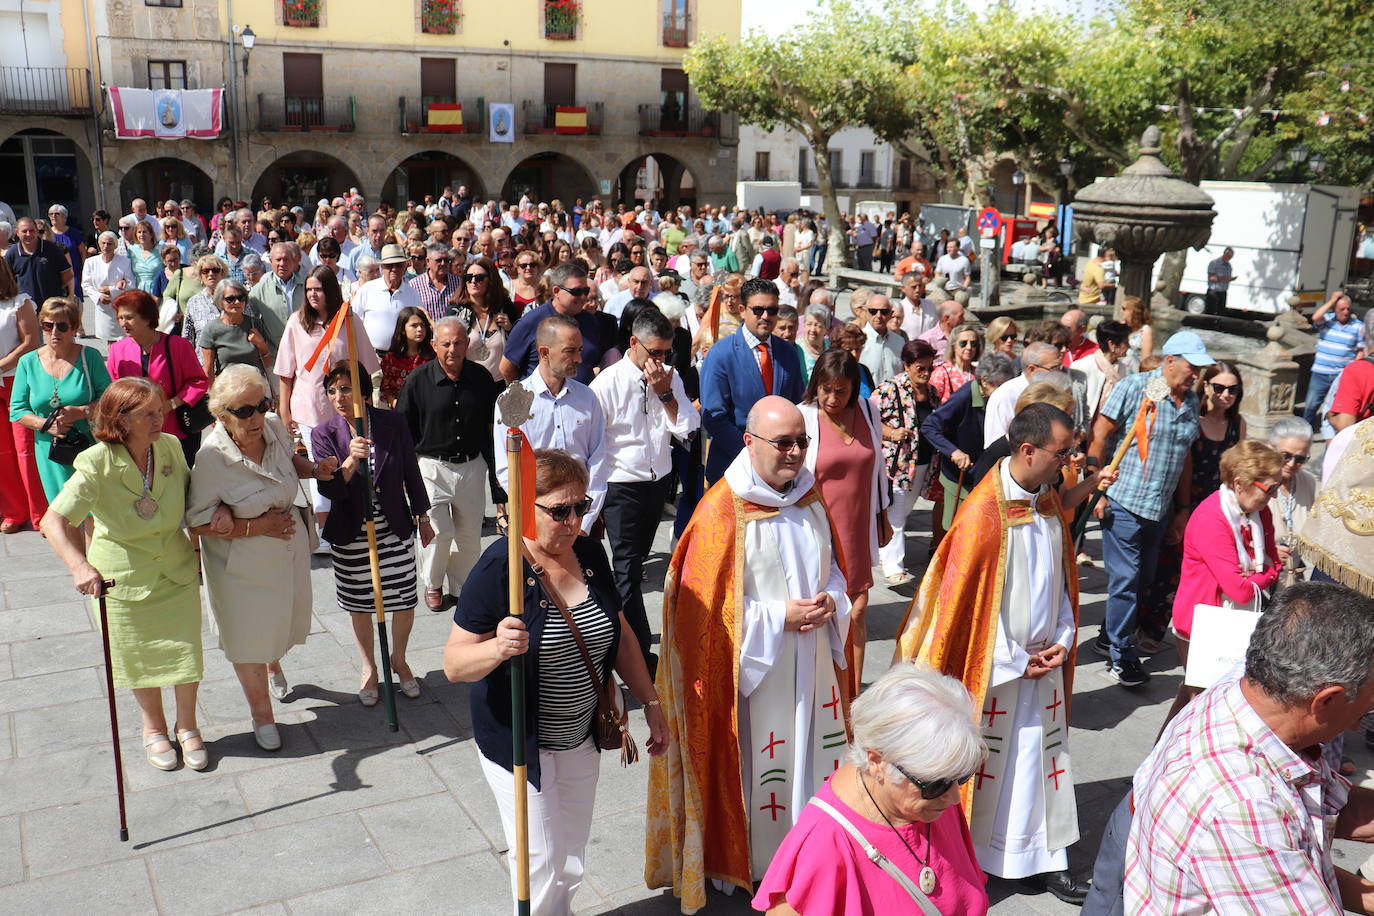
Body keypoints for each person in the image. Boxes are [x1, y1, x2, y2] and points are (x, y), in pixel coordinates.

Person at [647, 396, 853, 912]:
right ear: (749, 441)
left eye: (802, 442)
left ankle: (813, 857)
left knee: (813, 761)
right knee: (765, 771)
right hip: (755, 677)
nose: (794, 453)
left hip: (812, 665)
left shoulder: (808, 496)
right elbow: (702, 616)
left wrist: (833, 598)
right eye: (783, 442)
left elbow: (833, 568)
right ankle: (755, 866)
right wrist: (775, 617)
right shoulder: (723, 510)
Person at [444, 449, 666, 916]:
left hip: (581, 735)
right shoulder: (498, 569)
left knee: (569, 858)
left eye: (581, 507)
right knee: (540, 860)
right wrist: (497, 647)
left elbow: (621, 631)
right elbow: (454, 665)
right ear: (527, 507)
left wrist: (652, 703)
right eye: (559, 510)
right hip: (520, 741)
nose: (573, 521)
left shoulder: (587, 551)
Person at [896, 403, 1091, 905]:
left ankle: (1043, 858)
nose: (1069, 464)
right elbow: (959, 609)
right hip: (997, 672)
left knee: (1041, 763)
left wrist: (1064, 640)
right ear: (1027, 450)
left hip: (1042, 665)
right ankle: (976, 859)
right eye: (1062, 453)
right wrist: (1010, 658)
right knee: (992, 767)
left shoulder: (1047, 502)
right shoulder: (983, 514)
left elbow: (1063, 587)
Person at [1126, 581, 1374, 914]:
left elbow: (1330, 806)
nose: (1369, 712)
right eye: (1370, 696)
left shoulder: (1246, 688)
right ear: (1326, 700)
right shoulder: (1244, 807)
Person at [40, 377, 206, 771]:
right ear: (122, 420)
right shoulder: (97, 463)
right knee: (136, 656)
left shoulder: (168, 447)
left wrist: (213, 517)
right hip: (123, 576)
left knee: (186, 651)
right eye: (148, 414)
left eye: (159, 409)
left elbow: (192, 497)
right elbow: (53, 521)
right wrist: (79, 566)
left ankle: (188, 726)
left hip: (175, 567)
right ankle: (154, 729)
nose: (159, 418)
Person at [753, 661, 991, 916]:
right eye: (937, 782)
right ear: (877, 762)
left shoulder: (931, 798)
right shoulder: (826, 844)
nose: (954, 798)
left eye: (961, 776)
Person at [187, 365, 329, 749]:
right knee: (247, 640)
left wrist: (317, 469)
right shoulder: (211, 458)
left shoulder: (272, 426)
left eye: (260, 404)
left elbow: (289, 461)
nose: (255, 417)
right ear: (221, 415)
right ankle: (262, 716)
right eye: (243, 410)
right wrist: (253, 526)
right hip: (241, 570)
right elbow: (195, 523)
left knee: (278, 631)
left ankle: (273, 663)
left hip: (285, 558)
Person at [1088, 331, 1211, 687]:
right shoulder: (1134, 387)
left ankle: (1109, 636)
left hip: (1160, 508)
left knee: (1142, 582)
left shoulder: (1190, 402)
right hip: (1124, 500)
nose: (1195, 376)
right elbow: (1099, 434)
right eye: (1192, 367)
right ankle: (1121, 657)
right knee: (1126, 581)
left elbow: (1185, 458)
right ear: (1170, 361)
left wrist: (1183, 508)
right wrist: (1098, 486)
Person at [313, 363, 433, 704]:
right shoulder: (325, 433)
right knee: (359, 601)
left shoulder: (392, 423)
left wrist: (422, 516)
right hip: (351, 528)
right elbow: (331, 489)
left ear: (365, 392)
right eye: (333, 390)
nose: (338, 397)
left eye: (346, 389)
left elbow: (410, 469)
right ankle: (368, 666)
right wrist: (350, 461)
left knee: (404, 596)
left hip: (392, 522)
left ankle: (399, 658)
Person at [589, 307, 699, 676]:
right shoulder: (606, 383)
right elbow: (594, 442)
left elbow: (688, 426)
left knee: (633, 570)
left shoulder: (670, 377)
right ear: (633, 344)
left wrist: (665, 393)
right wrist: (595, 499)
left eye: (666, 353)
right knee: (626, 571)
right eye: (654, 352)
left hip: (657, 483)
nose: (660, 360)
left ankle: (625, 643)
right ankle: (636, 654)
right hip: (622, 484)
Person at [1161, 440, 1283, 728]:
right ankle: (1167, 766)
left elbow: (1275, 563)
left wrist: (1261, 575)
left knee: (1194, 699)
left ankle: (1154, 765)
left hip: (1237, 619)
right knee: (1203, 707)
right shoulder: (1210, 518)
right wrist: (1264, 576)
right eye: (1270, 488)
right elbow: (1239, 588)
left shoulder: (1260, 511)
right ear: (1240, 483)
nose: (1274, 495)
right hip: (1202, 624)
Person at [799, 349, 889, 698]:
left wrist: (883, 514)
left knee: (857, 612)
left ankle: (852, 695)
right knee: (825, 609)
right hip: (819, 528)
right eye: (826, 389)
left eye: (841, 390)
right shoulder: (804, 416)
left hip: (858, 526)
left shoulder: (869, 411)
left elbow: (877, 468)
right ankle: (823, 689)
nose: (832, 398)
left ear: (854, 388)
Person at [398, 316, 504, 609]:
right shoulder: (417, 381)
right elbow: (403, 431)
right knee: (439, 531)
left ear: (467, 344)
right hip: (432, 467)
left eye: (458, 343)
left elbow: (491, 430)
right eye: (445, 343)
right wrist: (405, 476)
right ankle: (432, 583)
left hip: (471, 466)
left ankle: (462, 587)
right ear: (433, 345)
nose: (452, 349)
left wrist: (498, 486)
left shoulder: (482, 379)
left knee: (469, 535)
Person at [275, 267, 378, 540]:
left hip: (347, 410)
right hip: (310, 411)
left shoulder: (349, 321)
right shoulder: (297, 322)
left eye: (317, 289)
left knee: (351, 467)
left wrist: (367, 404)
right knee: (323, 468)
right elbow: (286, 372)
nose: (312, 294)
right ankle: (325, 530)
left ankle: (354, 521)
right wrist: (284, 411)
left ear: (330, 290)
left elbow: (365, 368)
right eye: (308, 289)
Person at [493, 315, 609, 540]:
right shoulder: (513, 399)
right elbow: (508, 467)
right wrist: (539, 514)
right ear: (544, 353)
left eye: (580, 350)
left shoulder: (587, 398)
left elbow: (598, 459)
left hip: (583, 520)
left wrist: (585, 518)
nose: (579, 359)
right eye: (570, 351)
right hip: (536, 522)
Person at [700, 277, 806, 482]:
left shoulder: (788, 352)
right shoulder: (721, 354)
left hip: (780, 470)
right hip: (733, 467)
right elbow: (714, 417)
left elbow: (797, 406)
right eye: (758, 310)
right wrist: (754, 456)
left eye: (772, 310)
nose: (766, 316)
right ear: (742, 310)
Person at [9, 297, 112, 507]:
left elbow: (110, 400)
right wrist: (47, 425)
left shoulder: (90, 356)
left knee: (94, 511)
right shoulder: (27, 362)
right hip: (50, 450)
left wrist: (81, 411)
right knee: (63, 511)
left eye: (62, 326)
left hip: (89, 446)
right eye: (48, 325)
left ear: (74, 327)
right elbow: (17, 410)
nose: (54, 332)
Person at [105, 290, 210, 470]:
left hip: (177, 431)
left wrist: (172, 404)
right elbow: (113, 389)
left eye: (128, 317)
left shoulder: (178, 345)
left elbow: (198, 381)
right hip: (135, 434)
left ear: (147, 318)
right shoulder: (117, 350)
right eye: (120, 318)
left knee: (179, 480)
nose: (123, 323)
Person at [921, 353, 1017, 543]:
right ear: (984, 381)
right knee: (958, 529)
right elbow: (929, 426)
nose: (1004, 391)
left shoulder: (1001, 398)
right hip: (961, 475)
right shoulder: (964, 396)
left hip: (985, 473)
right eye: (999, 386)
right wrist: (954, 452)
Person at [876, 339, 939, 586]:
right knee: (897, 516)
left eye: (929, 368)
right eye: (920, 368)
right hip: (897, 464)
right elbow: (869, 419)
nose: (925, 373)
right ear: (906, 365)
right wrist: (891, 433)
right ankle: (893, 567)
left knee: (902, 512)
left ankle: (880, 547)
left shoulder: (932, 392)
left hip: (922, 464)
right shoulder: (889, 389)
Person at [500, 262, 611, 385]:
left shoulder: (590, 321)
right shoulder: (531, 322)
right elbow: (507, 368)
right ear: (556, 291)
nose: (583, 297)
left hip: (581, 400)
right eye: (576, 292)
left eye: (586, 291)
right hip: (540, 400)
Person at [0, 263, 40, 533]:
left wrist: (1, 365)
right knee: (2, 452)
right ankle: (14, 512)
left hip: (16, 381)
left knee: (25, 449)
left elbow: (30, 341)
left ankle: (41, 513)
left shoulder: (19, 302)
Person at [1184, 361, 1247, 511]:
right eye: (1219, 388)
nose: (1226, 395)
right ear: (1206, 387)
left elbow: (1239, 467)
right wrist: (1182, 507)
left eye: (1233, 389)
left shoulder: (1238, 424)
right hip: (1186, 501)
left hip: (1221, 504)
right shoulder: (1192, 420)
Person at [449, 255, 517, 381]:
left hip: (499, 385)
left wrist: (510, 329)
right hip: (466, 384)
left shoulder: (505, 308)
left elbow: (519, 346)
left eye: (479, 278)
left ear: (491, 280)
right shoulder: (455, 311)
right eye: (469, 278)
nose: (473, 281)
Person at [982, 341, 1064, 445]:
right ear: (1032, 369)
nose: (1058, 373)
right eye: (1053, 368)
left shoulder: (1056, 391)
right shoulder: (1005, 396)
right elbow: (995, 446)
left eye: (1059, 368)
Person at [1305, 290, 1365, 429]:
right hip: (1321, 372)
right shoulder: (1327, 321)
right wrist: (1332, 300)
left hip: (1341, 375)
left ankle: (1333, 434)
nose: (1346, 312)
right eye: (1342, 309)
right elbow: (1315, 317)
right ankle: (1306, 430)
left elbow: (1360, 351)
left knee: (1337, 408)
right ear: (1335, 309)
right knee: (1311, 405)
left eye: (1348, 309)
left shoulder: (1357, 326)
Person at [1268, 417, 1317, 585]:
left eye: (1300, 459)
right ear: (1270, 448)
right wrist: (1269, 550)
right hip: (1258, 578)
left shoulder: (1308, 483)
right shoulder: (1253, 481)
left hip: (1293, 581)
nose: (1291, 463)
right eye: (1285, 456)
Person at [196, 278, 270, 380]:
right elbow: (208, 370)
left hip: (255, 389)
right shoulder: (211, 329)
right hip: (227, 390)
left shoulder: (255, 324)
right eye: (230, 299)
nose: (237, 302)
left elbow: (269, 363)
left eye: (241, 298)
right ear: (220, 301)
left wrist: (261, 344)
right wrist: (213, 394)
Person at [353, 244, 421, 354]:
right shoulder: (367, 289)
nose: (394, 269)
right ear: (382, 267)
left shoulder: (412, 294)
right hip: (373, 356)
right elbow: (353, 319)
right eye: (389, 266)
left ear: (405, 267)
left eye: (398, 265)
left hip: (402, 356)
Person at [1069, 319, 1130, 432]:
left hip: (1108, 430)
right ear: (1111, 344)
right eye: (1126, 342)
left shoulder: (1120, 368)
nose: (1129, 346)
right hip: (1082, 431)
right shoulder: (1081, 366)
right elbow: (1072, 404)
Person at [249, 242, 305, 354]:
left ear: (293, 261)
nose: (282, 264)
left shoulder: (306, 285)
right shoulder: (259, 289)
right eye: (278, 260)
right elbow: (250, 319)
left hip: (304, 352)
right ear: (271, 261)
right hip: (275, 354)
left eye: (286, 259)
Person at [5, 217, 73, 303]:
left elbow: (67, 274)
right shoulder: (12, 253)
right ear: (17, 233)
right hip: (25, 307)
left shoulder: (51, 249)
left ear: (37, 231)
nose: (28, 234)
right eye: (24, 231)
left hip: (51, 306)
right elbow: (6, 280)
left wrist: (53, 289)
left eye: (32, 230)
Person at [82, 231, 134, 340]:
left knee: (123, 339)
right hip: (102, 308)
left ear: (115, 245)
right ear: (99, 244)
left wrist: (111, 290)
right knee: (108, 340)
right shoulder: (90, 262)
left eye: (109, 244)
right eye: (103, 243)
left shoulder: (125, 261)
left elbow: (131, 285)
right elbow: (86, 284)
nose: (106, 246)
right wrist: (99, 296)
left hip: (120, 306)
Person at [379, 306, 435, 408]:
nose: (420, 329)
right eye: (414, 326)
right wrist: (396, 403)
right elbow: (386, 389)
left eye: (423, 325)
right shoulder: (391, 358)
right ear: (402, 330)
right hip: (401, 412)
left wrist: (430, 321)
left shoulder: (432, 356)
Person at [406, 242, 462, 323]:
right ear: (428, 261)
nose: (443, 263)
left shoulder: (458, 283)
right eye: (439, 260)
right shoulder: (414, 285)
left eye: (446, 260)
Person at [858, 293, 903, 386]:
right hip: (868, 398)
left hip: (895, 397)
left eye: (884, 311)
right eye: (873, 311)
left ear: (891, 314)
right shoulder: (858, 341)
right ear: (866, 313)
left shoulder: (900, 341)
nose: (878, 315)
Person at [930, 323, 980, 402]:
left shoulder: (978, 373)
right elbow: (932, 403)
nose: (969, 347)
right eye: (963, 343)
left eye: (973, 344)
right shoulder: (941, 372)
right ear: (953, 346)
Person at [917, 301, 965, 367]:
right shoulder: (927, 340)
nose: (964, 320)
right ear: (946, 318)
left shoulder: (964, 337)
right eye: (960, 317)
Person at [798, 305, 830, 382]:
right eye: (809, 324)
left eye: (818, 325)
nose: (813, 329)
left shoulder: (831, 347)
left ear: (826, 328)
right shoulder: (797, 348)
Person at [1202, 246, 1236, 315]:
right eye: (1229, 256)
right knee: (1210, 313)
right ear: (1225, 254)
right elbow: (1211, 278)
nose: (1229, 258)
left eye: (1231, 257)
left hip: (1223, 292)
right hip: (1213, 292)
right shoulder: (1214, 263)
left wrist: (1230, 279)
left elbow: (1227, 278)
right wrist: (1226, 278)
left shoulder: (1229, 266)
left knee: (1221, 313)